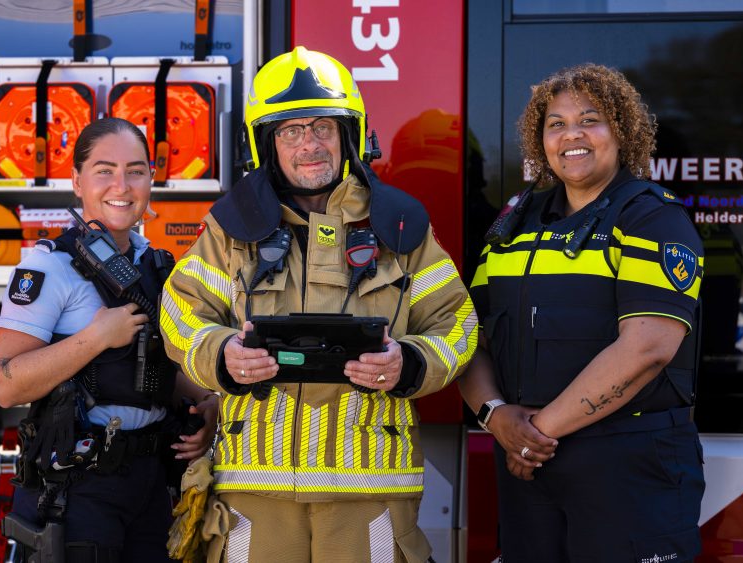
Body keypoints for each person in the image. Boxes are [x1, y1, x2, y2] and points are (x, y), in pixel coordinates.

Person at [159, 46, 478, 562]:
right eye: (291, 130)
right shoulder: (230, 229)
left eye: (323, 127)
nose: (310, 144)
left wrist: (410, 361)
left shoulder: (399, 227)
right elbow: (179, 313)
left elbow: (457, 324)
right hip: (254, 494)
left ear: (348, 135)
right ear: (268, 143)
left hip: (369, 493)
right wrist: (222, 355)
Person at [459, 63, 706, 562]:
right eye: (556, 124)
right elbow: (467, 334)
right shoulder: (515, 225)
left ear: (623, 131)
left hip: (627, 466)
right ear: (540, 140)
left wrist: (535, 433)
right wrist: (495, 415)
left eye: (591, 119)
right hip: (528, 464)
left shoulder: (652, 217)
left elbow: (648, 347)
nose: (572, 135)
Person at [0, 117, 217, 562]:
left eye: (135, 170)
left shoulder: (158, 266)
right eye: (105, 170)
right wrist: (95, 337)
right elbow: (5, 384)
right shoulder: (48, 268)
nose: (122, 185)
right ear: (77, 181)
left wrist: (207, 404)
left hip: (152, 484)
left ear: (151, 179)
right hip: (80, 490)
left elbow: (147, 370)